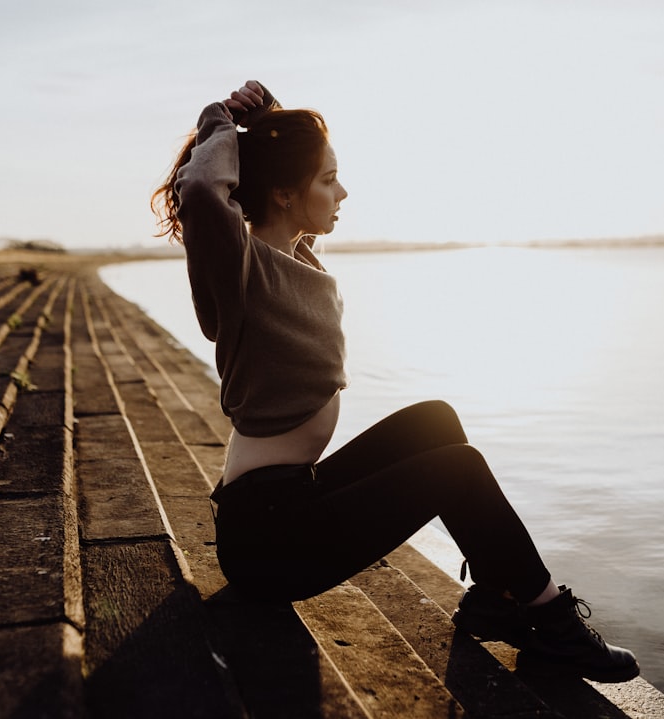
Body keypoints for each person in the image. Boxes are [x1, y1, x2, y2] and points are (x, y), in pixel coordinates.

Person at [151, 80, 639, 683]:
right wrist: (221, 121)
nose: (343, 190)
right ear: (282, 194)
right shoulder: (241, 271)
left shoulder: (297, 260)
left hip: (290, 502)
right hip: (268, 542)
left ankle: (498, 599)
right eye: (328, 179)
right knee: (456, 469)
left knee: (435, 419)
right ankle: (553, 623)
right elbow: (202, 187)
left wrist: (271, 123)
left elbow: (265, 183)